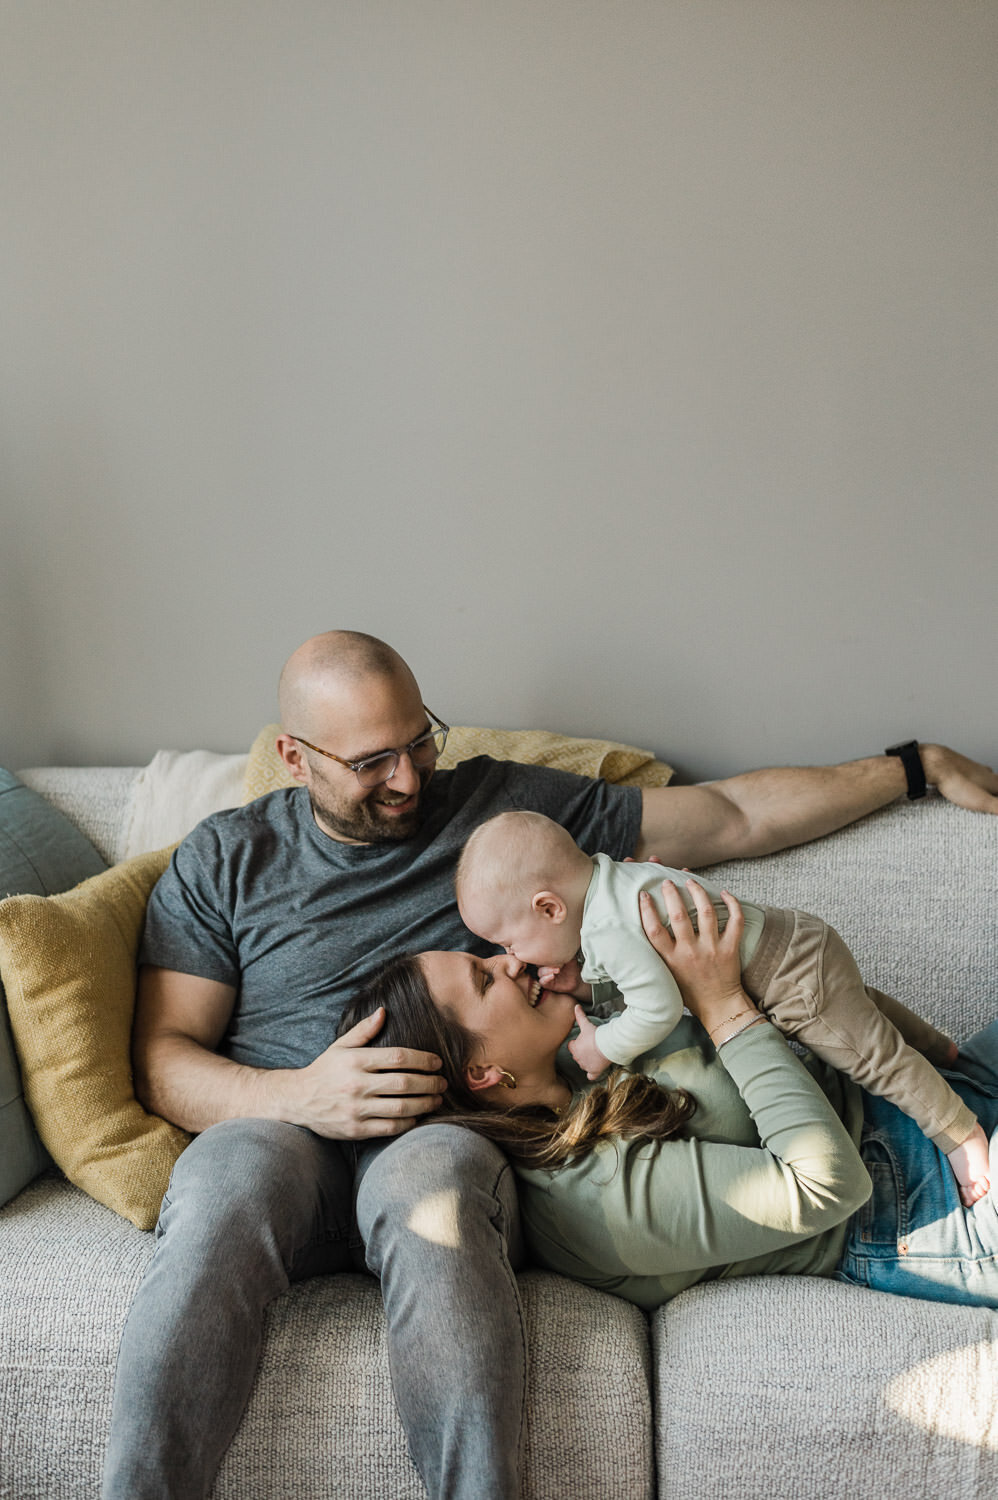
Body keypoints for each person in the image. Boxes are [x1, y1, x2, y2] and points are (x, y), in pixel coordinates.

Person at [102, 628, 998, 1500]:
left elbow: (729, 817)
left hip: (449, 1127)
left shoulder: (498, 814)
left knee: (432, 1187)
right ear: (296, 759)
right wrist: (299, 1095)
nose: (409, 777)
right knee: (229, 1177)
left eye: (420, 741)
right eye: (372, 761)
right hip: (290, 1124)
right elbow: (161, 1061)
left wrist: (913, 768)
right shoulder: (226, 858)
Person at [340, 877, 998, 1313]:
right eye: (486, 980)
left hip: (922, 1093)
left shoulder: (580, 1048)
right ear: (481, 1073)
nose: (510, 961)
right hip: (922, 1206)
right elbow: (828, 1185)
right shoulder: (589, 1196)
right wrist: (722, 1006)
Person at [454, 809, 991, 1203]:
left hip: (789, 975)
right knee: (864, 1018)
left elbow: (657, 1009)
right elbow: (649, 973)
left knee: (873, 1058)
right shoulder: (614, 883)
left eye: (508, 944)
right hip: (798, 947)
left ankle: (960, 1135)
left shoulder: (608, 927)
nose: (513, 959)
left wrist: (602, 1044)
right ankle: (938, 1046)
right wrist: (587, 985)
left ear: (548, 907)